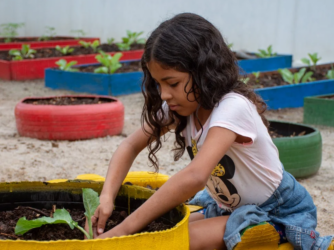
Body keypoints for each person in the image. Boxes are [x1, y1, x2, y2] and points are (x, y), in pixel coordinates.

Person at [86, 13, 333, 250]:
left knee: (174, 241)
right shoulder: (179, 107)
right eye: (158, 83)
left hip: (276, 210)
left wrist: (124, 228)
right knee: (159, 229)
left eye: (172, 83)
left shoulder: (231, 107)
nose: (163, 94)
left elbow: (195, 176)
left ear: (203, 72)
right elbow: (129, 146)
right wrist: (106, 197)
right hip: (228, 207)